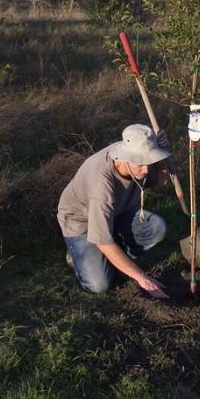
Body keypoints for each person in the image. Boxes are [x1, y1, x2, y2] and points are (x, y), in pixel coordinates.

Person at [57, 124, 171, 298]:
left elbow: (160, 187)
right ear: (126, 158)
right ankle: (77, 256)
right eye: (141, 163)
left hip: (118, 212)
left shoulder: (137, 154)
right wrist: (141, 277)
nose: (146, 169)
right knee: (99, 284)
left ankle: (114, 256)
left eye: (149, 161)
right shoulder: (101, 184)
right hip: (82, 221)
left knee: (157, 228)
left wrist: (161, 156)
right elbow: (102, 240)